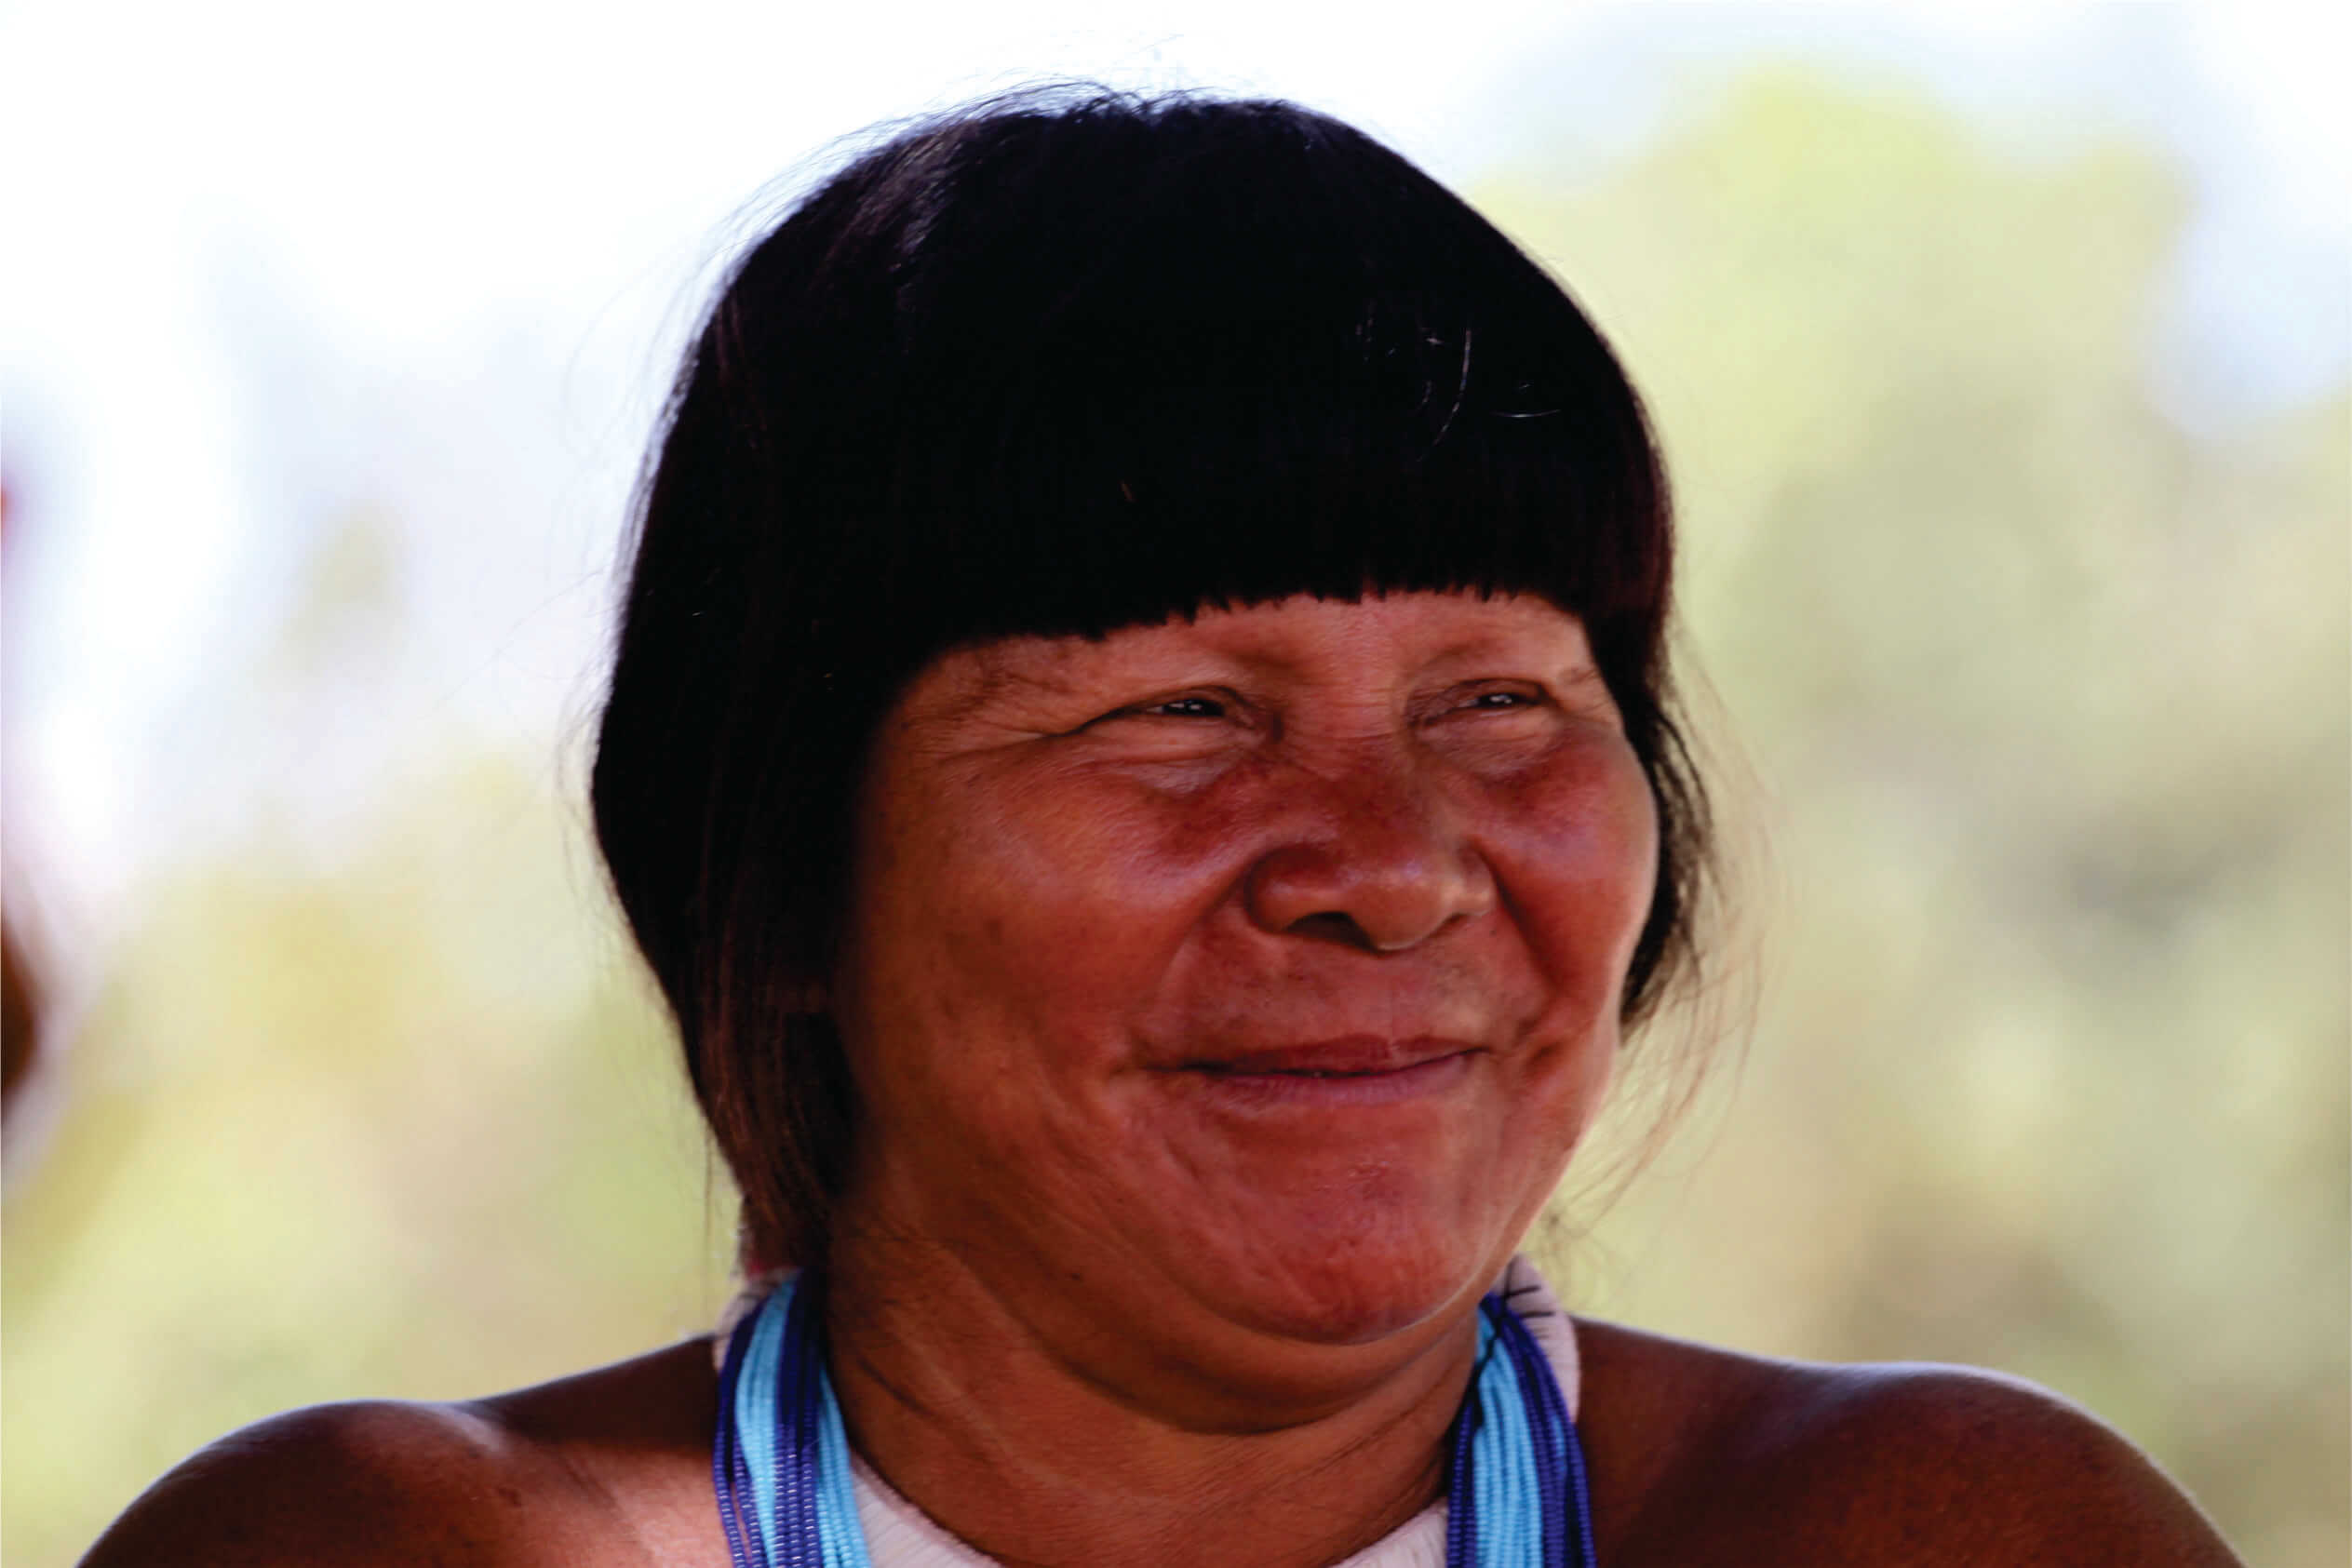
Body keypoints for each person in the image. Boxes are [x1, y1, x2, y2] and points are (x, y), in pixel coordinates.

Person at [84, 89, 2240, 1567]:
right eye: (1184, 718)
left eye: (1500, 704)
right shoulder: (372, 1553)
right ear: (786, 876)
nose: (1390, 867)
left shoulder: (1942, 1535)